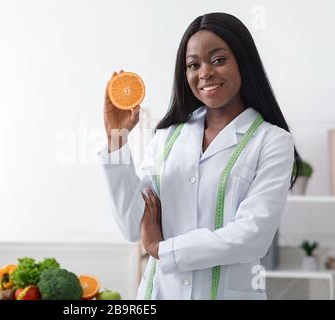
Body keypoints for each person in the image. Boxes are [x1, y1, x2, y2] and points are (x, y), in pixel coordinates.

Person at [98, 12, 301, 300]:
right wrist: (116, 139)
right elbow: (133, 225)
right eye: (194, 64)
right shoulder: (168, 136)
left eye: (218, 60)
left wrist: (162, 250)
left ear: (243, 62)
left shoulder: (272, 141)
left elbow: (252, 236)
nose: (204, 72)